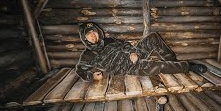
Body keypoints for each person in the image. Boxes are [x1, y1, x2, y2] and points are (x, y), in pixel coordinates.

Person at [75, 22, 207, 82]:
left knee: (153, 37)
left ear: (98, 32)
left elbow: (125, 44)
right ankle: (189, 66)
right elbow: (80, 70)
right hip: (129, 67)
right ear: (84, 38)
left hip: (134, 55)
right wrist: (92, 77)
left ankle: (173, 62)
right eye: (89, 34)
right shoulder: (88, 55)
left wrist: (132, 51)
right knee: (159, 66)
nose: (93, 35)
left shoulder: (108, 40)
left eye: (94, 31)